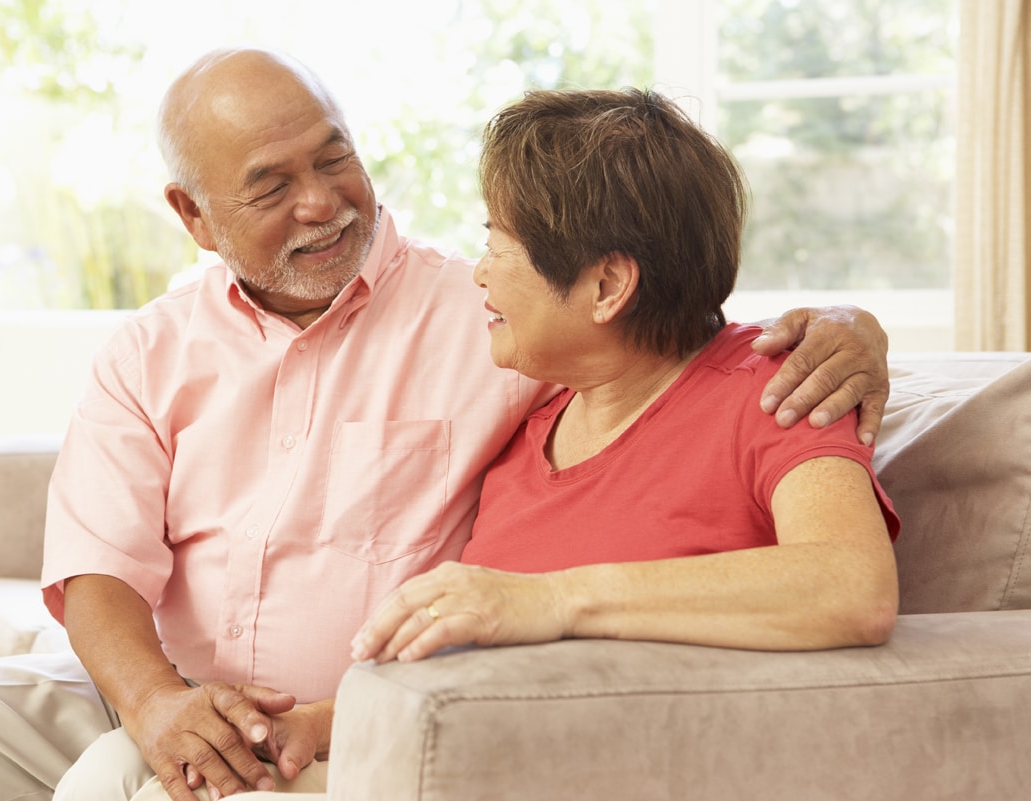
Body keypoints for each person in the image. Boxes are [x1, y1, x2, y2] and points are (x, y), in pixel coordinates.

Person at [0, 49, 892, 801]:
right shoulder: (155, 351)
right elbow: (98, 566)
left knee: (113, 788)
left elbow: (666, 318)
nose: (322, 203)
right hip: (205, 703)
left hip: (395, 734)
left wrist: (854, 325)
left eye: (332, 159)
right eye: (269, 186)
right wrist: (165, 708)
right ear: (193, 217)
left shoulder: (500, 333)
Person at [351, 88, 900, 672]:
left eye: (497, 246)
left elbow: (853, 588)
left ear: (608, 286)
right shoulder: (528, 427)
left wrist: (556, 598)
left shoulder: (780, 386)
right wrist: (312, 723)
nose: (479, 274)